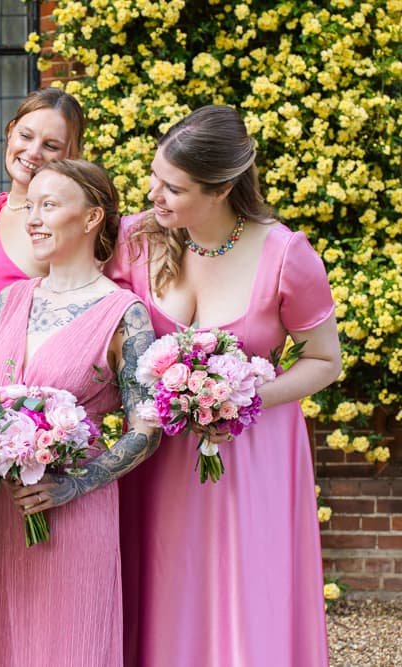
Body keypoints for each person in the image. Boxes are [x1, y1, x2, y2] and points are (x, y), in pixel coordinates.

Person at [107, 105, 341, 666]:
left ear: (223, 189)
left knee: (244, 593)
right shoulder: (138, 238)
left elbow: (324, 360)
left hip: (251, 455)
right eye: (156, 177)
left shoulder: (286, 254)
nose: (155, 194)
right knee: (163, 582)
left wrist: (244, 395)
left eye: (174, 188)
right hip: (158, 460)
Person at [0, 160, 160, 666]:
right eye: (30, 205)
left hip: (76, 510)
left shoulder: (124, 313)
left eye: (50, 205)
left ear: (90, 219)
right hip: (8, 507)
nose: (33, 218)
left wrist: (74, 483)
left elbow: (146, 429)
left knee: (75, 645)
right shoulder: (9, 301)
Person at [0, 87, 85, 328]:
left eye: (50, 146)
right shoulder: (1, 207)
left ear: (70, 155)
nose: (33, 152)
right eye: (26, 136)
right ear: (11, 131)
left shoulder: (59, 224)